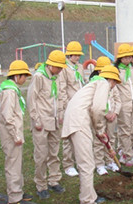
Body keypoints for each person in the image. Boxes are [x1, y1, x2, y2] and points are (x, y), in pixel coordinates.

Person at [62, 65, 121, 204]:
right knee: (87, 164)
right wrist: (100, 129)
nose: (114, 86)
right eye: (115, 82)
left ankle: (89, 196)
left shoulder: (93, 84)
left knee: (85, 163)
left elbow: (93, 109)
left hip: (76, 120)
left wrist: (98, 132)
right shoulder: (103, 83)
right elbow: (98, 109)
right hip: (79, 122)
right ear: (111, 79)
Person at [27, 50, 67, 200]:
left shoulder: (56, 77)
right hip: (42, 122)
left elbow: (60, 96)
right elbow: (32, 99)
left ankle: (54, 180)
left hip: (54, 120)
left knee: (54, 153)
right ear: (50, 65)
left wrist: (61, 113)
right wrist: (36, 119)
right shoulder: (38, 77)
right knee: (41, 154)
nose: (61, 70)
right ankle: (41, 184)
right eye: (58, 67)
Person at [0, 60, 33, 204]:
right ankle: (14, 197)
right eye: (24, 76)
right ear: (17, 76)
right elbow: (7, 116)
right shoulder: (9, 92)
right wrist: (15, 135)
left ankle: (18, 191)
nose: (25, 80)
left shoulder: (13, 90)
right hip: (11, 136)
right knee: (12, 165)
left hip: (15, 134)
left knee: (17, 164)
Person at [58, 41, 85, 177]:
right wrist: (64, 107)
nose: (78, 58)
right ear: (70, 54)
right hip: (69, 105)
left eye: (79, 55)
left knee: (80, 134)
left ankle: (79, 161)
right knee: (68, 135)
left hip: (81, 106)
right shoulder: (64, 69)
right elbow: (62, 89)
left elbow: (83, 84)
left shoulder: (79, 67)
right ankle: (68, 164)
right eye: (76, 55)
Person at [91, 57, 121, 175]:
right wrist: (106, 113)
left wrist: (115, 113)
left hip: (112, 118)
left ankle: (110, 161)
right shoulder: (95, 84)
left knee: (111, 139)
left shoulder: (113, 85)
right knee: (99, 140)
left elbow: (118, 100)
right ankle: (99, 164)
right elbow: (95, 104)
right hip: (100, 117)